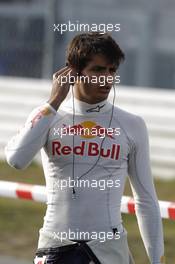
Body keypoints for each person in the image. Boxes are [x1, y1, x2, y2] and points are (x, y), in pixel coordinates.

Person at [5, 32, 165, 264]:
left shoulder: (132, 124)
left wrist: (156, 260)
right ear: (73, 71)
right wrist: (54, 102)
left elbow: (146, 199)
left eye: (112, 71)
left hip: (110, 251)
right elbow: (16, 160)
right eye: (98, 70)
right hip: (55, 247)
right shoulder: (50, 116)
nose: (107, 79)